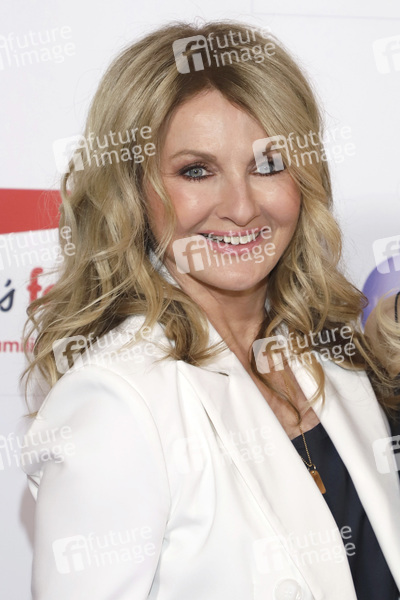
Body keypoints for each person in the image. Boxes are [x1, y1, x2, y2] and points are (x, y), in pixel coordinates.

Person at [20, 20, 400, 600]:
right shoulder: (118, 402)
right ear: (134, 191)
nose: (242, 208)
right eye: (196, 171)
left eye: (267, 165)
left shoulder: (334, 356)